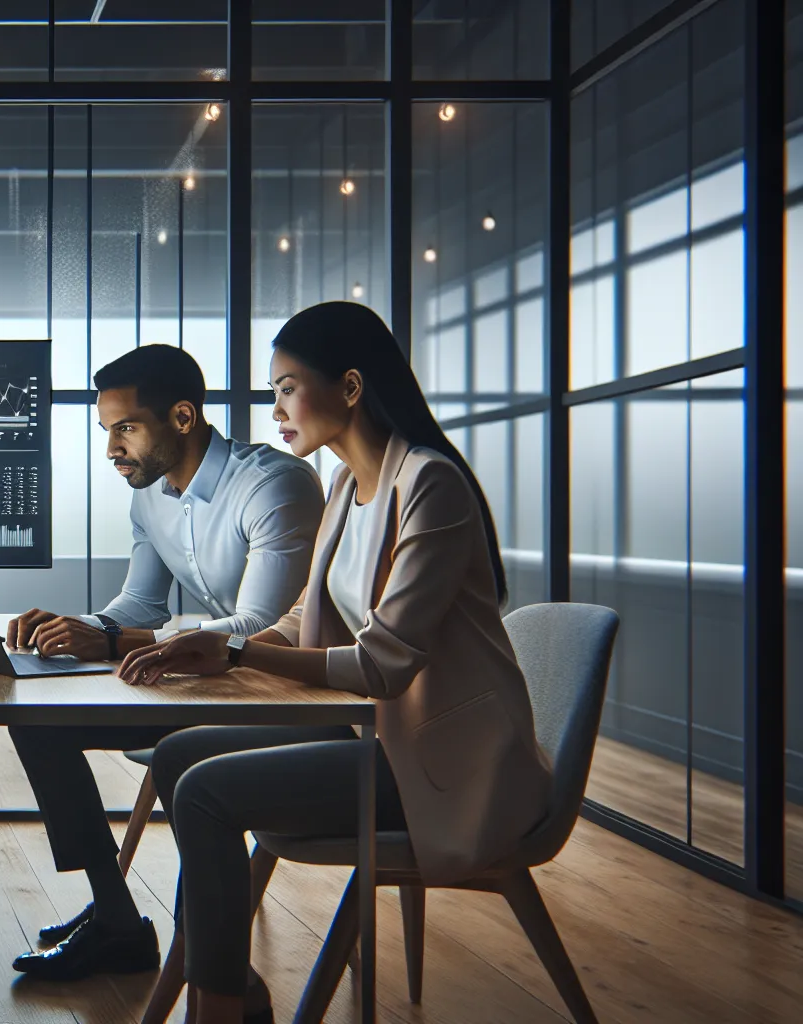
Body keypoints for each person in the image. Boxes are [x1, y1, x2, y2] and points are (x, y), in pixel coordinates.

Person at [118, 302, 552, 1024]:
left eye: (288, 388)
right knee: (178, 754)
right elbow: (304, 619)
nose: (275, 409)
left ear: (350, 387)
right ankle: (228, 981)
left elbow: (382, 665)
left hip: (443, 764)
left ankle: (217, 1005)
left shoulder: (430, 484)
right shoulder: (349, 486)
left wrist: (237, 648)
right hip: (375, 736)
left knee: (205, 793)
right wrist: (221, 650)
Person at [4, 344, 331, 982]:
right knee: (39, 721)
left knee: (185, 757)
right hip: (208, 686)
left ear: (182, 417)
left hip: (280, 692)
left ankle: (204, 954)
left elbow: (260, 629)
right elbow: (139, 605)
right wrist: (77, 628)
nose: (111, 449)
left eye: (126, 428)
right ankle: (116, 916)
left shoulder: (274, 484)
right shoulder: (150, 497)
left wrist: (112, 643)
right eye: (107, 430)